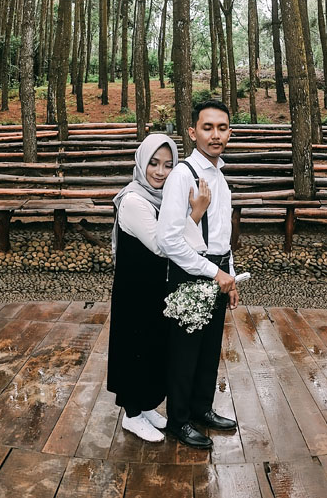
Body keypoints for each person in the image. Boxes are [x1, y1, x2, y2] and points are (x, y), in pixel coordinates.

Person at [107, 133, 211, 443]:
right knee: (134, 349)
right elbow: (162, 245)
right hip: (135, 291)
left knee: (153, 347)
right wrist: (195, 213)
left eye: (168, 165)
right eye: (153, 163)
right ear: (141, 162)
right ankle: (131, 415)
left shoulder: (163, 199)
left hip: (154, 288)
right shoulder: (134, 201)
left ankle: (146, 406)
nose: (160, 172)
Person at [157, 99, 239, 450]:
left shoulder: (221, 176)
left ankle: (202, 410)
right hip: (191, 273)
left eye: (222, 128)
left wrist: (230, 275)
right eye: (207, 127)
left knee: (209, 349)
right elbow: (168, 239)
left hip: (218, 270)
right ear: (193, 132)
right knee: (184, 352)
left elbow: (221, 234)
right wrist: (213, 272)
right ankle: (178, 421)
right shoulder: (181, 176)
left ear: (229, 133)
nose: (215, 134)